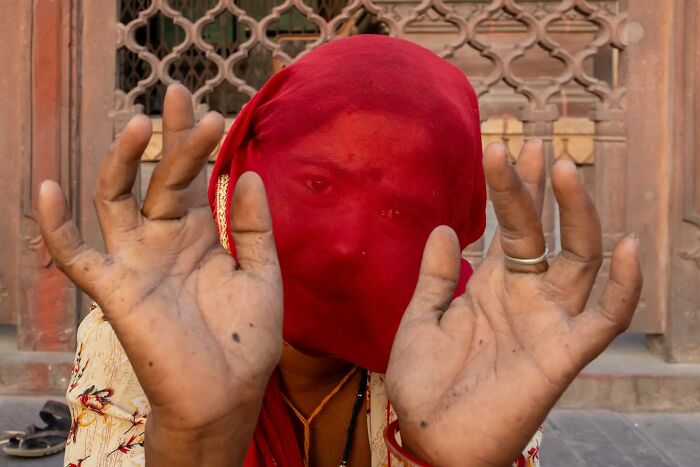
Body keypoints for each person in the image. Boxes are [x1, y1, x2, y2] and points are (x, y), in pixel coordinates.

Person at [37, 35, 642, 467]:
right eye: (318, 185)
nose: (350, 239)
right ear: (236, 179)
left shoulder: (476, 347)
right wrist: (196, 441)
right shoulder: (146, 334)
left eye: (402, 211)